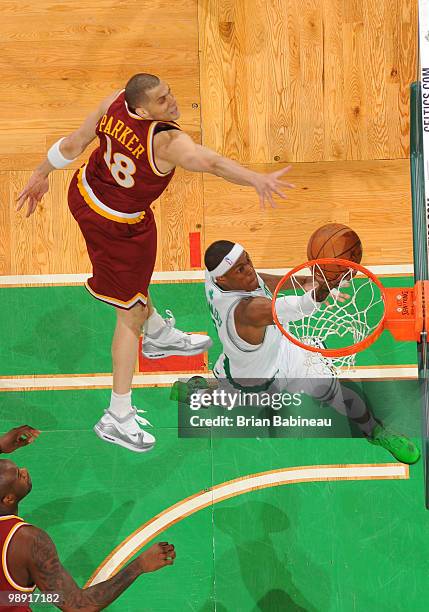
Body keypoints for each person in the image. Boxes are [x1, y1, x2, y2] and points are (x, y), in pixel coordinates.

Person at [16, 73, 294, 454]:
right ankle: (117, 414)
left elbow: (73, 144)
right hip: (112, 226)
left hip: (93, 197)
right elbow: (211, 163)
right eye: (162, 100)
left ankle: (159, 335)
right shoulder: (167, 141)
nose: (173, 101)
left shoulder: (114, 101)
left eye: (170, 92)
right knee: (129, 312)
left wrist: (41, 173)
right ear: (141, 108)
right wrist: (256, 180)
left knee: (135, 289)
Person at [199, 240, 420, 464]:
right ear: (222, 278)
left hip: (281, 353)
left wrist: (306, 280)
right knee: (221, 398)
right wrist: (326, 284)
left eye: (248, 260)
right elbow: (299, 307)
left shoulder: (214, 278)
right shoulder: (246, 311)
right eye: (240, 269)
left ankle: (376, 433)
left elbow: (260, 281)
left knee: (341, 393)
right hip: (253, 381)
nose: (250, 270)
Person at [0, 459, 175, 612]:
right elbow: (78, 605)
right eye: (17, 475)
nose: (24, 470)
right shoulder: (28, 540)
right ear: (8, 499)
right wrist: (139, 566)